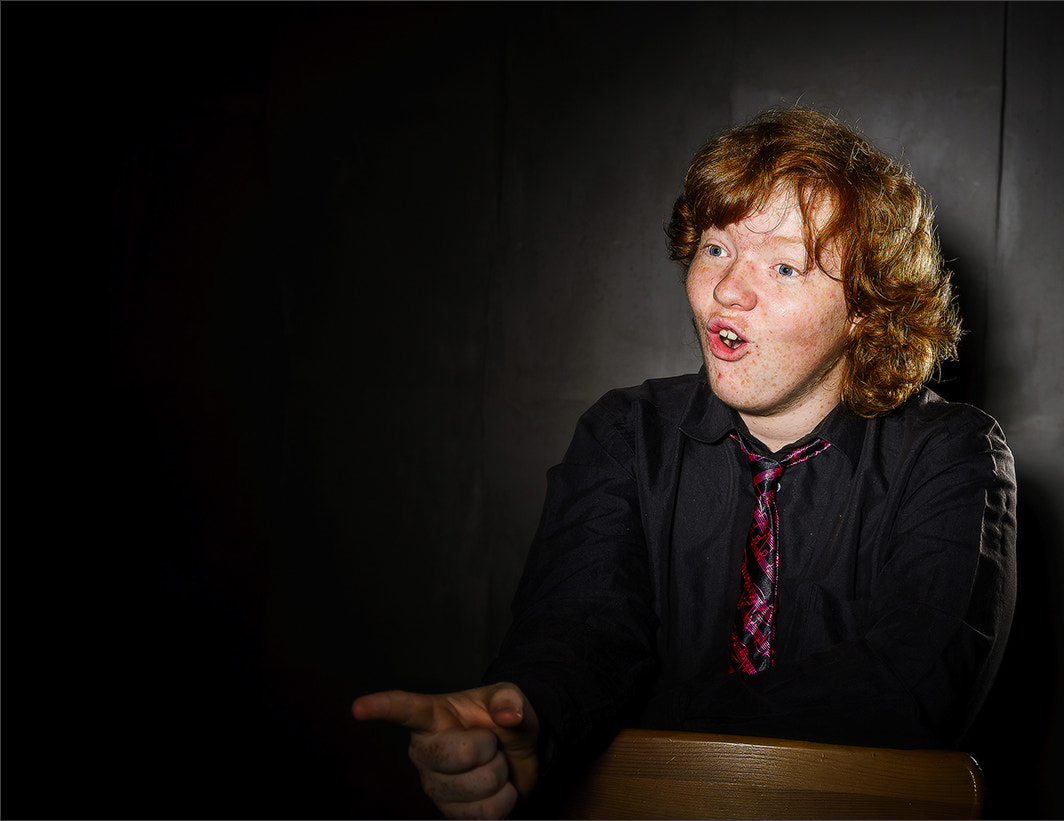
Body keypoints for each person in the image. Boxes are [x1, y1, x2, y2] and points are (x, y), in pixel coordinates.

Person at [353, 107, 1017, 819]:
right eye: (715, 249)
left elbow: (908, 688)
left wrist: (628, 718)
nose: (728, 290)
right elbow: (580, 629)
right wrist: (531, 716)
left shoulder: (952, 454)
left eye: (785, 265)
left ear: (866, 309)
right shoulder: (622, 433)